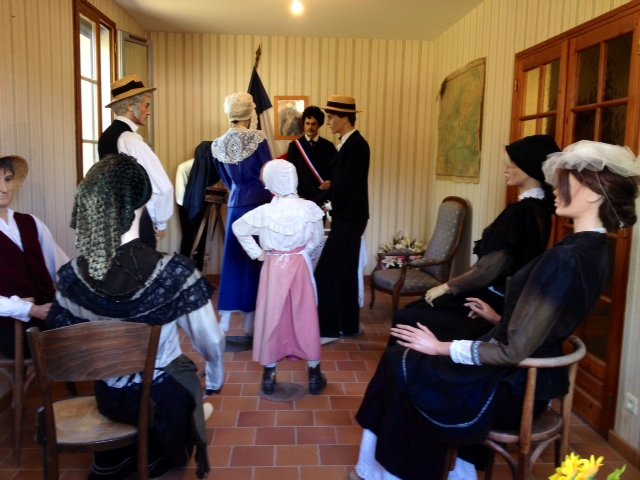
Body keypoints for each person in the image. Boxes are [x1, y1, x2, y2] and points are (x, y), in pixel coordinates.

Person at [351, 140, 640, 480]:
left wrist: (440, 347)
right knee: (406, 358)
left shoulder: (566, 257)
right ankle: (455, 470)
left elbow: (513, 349)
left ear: (592, 194)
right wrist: (500, 318)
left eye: (564, 180)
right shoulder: (595, 251)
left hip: (512, 388)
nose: (554, 187)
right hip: (539, 380)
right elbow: (551, 320)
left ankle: (385, 473)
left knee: (399, 363)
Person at [47, 154, 225, 479]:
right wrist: (215, 376)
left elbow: (64, 348)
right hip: (159, 399)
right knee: (183, 378)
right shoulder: (175, 272)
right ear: (141, 202)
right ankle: (159, 450)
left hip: (107, 397)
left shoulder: (70, 275)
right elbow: (210, 341)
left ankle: (114, 456)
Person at [389, 135, 560, 344]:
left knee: (408, 317)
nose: (505, 169)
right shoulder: (541, 209)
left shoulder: (520, 212)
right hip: (510, 297)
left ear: (529, 167)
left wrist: (447, 286)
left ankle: (413, 370)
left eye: (512, 165)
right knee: (416, 311)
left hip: (495, 298)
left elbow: (490, 268)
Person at [232, 160, 326, 395]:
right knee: (305, 317)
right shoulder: (309, 209)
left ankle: (269, 374)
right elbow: (315, 240)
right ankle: (314, 375)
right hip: (300, 267)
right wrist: (303, 254)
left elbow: (238, 229)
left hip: (274, 268)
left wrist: (259, 253)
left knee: (271, 316)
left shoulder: (265, 212)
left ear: (271, 182)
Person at [212, 92, 272, 335]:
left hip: (236, 202)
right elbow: (268, 172)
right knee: (256, 259)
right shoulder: (258, 138)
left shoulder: (217, 143)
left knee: (233, 258)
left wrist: (237, 189)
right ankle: (251, 320)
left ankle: (226, 316)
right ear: (249, 113)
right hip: (259, 201)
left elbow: (226, 179)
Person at [0, 155, 68, 358]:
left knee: (91, 331)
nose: (4, 189)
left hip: (48, 316)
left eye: (8, 179)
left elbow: (61, 268)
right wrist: (28, 309)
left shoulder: (31, 222)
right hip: (9, 326)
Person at [314, 95, 370, 339]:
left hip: (349, 217)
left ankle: (327, 328)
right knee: (346, 272)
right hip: (349, 216)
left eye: (331, 118)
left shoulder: (357, 145)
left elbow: (349, 185)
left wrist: (329, 204)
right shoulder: (347, 143)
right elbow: (345, 180)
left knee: (326, 272)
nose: (328, 123)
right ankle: (348, 325)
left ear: (345, 118)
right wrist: (332, 184)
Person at [98, 74, 174, 249]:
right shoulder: (131, 140)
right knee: (140, 269)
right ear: (131, 106)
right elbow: (161, 185)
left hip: (111, 218)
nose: (149, 111)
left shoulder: (107, 136)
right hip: (134, 220)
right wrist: (160, 221)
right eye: (146, 105)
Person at [286, 105, 335, 202]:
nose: (310, 127)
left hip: (322, 198)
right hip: (301, 198)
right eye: (307, 123)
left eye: (314, 124)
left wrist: (331, 182)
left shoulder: (329, 146)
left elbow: (335, 172)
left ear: (319, 124)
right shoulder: (294, 146)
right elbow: (290, 174)